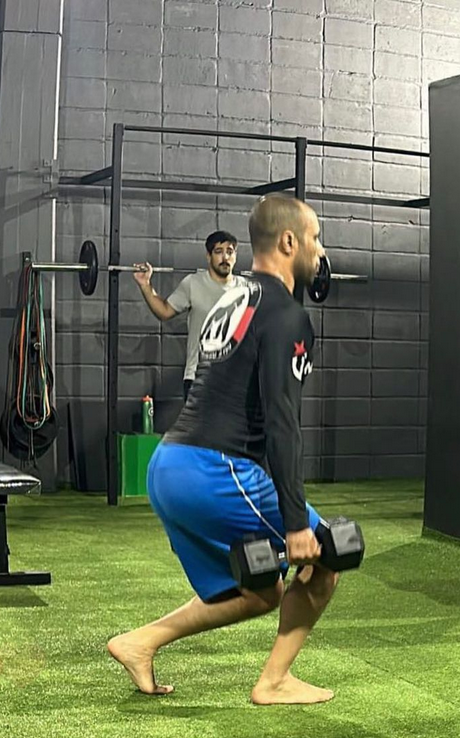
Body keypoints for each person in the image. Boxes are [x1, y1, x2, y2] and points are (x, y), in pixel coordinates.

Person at [108, 194, 338, 705]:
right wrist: (297, 524)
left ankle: (139, 643)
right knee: (328, 556)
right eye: (316, 238)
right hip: (216, 470)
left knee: (260, 591)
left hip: (168, 467)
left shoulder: (234, 297)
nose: (320, 251)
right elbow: (283, 423)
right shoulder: (286, 314)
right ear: (288, 241)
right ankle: (274, 681)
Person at [133, 230, 244, 400]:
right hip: (199, 379)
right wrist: (145, 285)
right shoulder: (193, 283)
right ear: (208, 256)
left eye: (229, 252)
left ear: (235, 256)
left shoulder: (247, 289)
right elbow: (164, 311)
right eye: (218, 252)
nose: (225, 258)